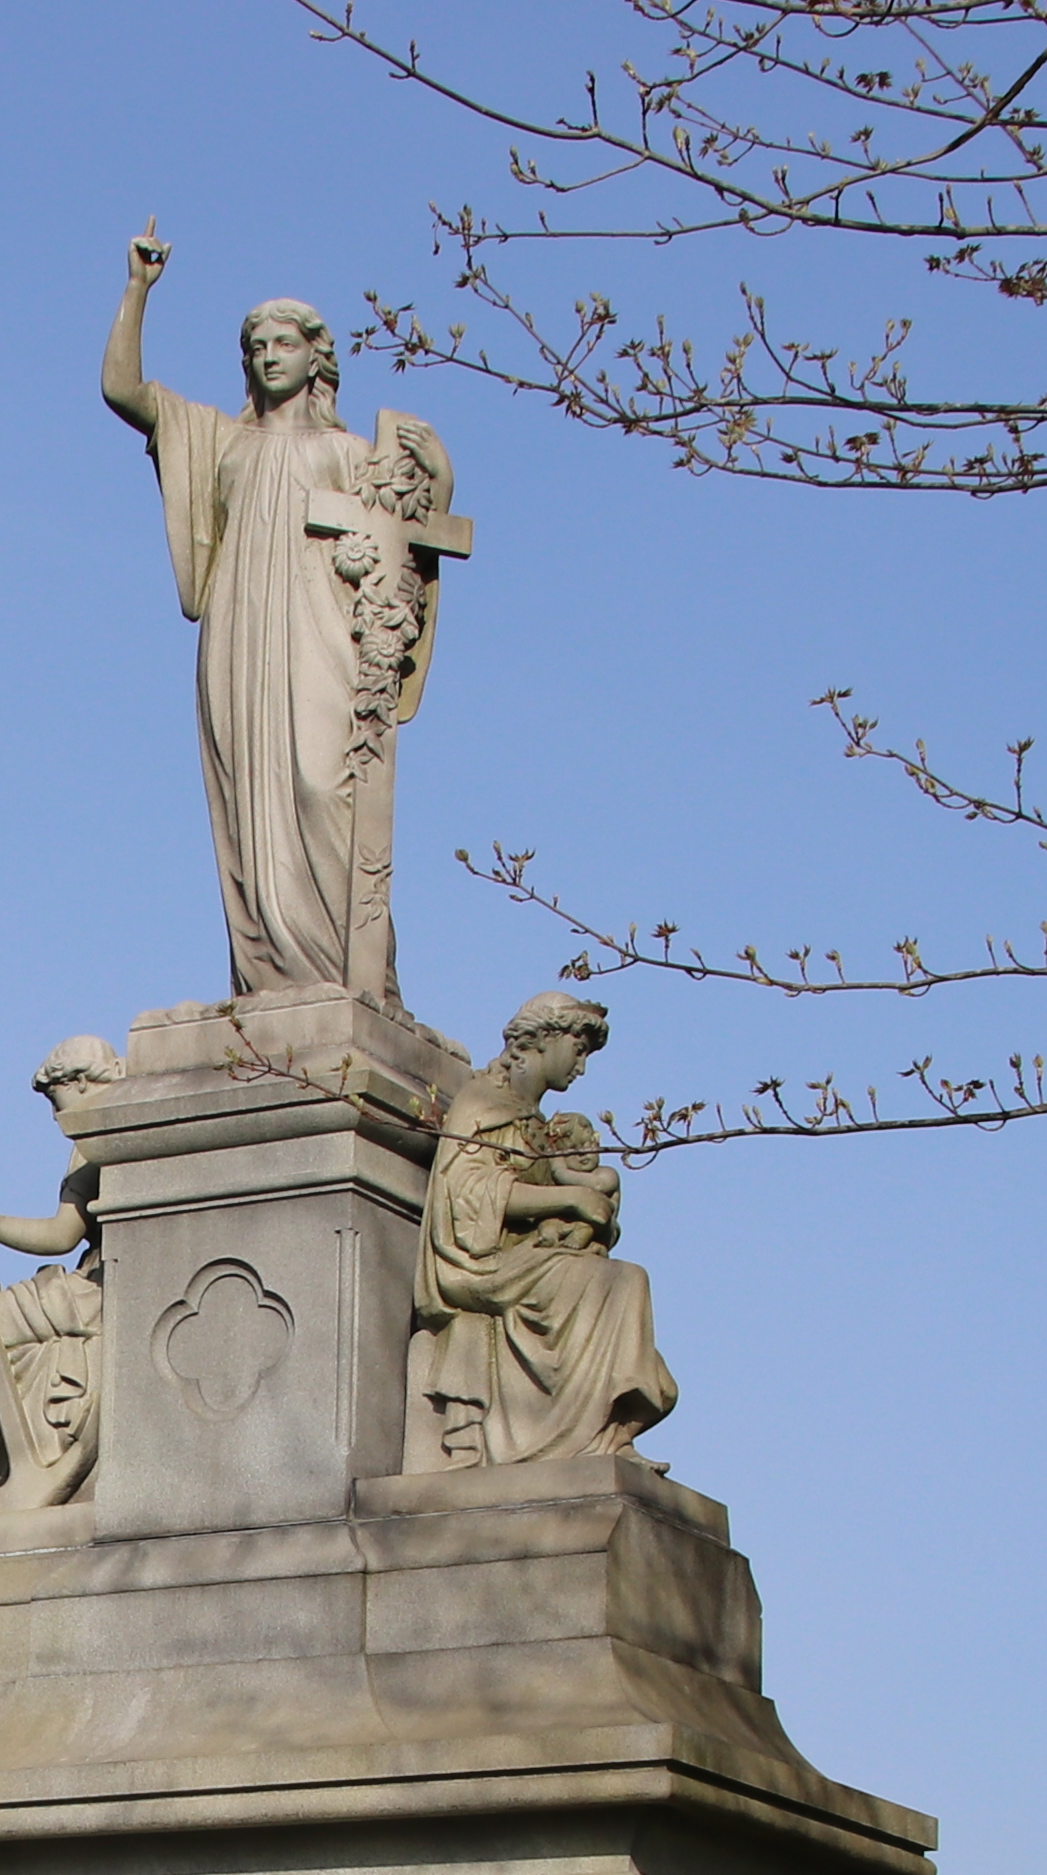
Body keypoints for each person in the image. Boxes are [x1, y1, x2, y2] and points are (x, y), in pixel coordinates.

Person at [103, 224, 459, 1021]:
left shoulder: (347, 451)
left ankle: (359, 976)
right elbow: (124, 391)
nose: (269, 356)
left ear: (314, 356)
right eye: (256, 345)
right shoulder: (222, 441)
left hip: (321, 635)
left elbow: (418, 532)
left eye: (284, 343)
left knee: (321, 784)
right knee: (247, 804)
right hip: (236, 634)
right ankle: (270, 986)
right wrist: (138, 290)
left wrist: (433, 468)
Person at [412, 992, 675, 1471]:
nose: (582, 1068)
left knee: (620, 1282)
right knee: (623, 1282)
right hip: (479, 1263)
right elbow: (471, 1198)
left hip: (528, 1256)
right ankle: (587, 1441)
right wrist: (569, 1200)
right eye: (578, 1051)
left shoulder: (537, 1120)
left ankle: (603, 1438)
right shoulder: (483, 1103)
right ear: (546, 1039)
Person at [0, 1037, 117, 1509]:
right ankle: (14, 1465)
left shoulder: (106, 1133)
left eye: (56, 1101)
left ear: (80, 1082)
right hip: (90, 1285)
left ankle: (13, 1466)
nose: (56, 1117)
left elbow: (61, 1235)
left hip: (95, 1293)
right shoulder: (107, 1134)